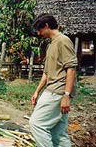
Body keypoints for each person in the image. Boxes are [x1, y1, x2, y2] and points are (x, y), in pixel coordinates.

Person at [29, 13, 78, 147]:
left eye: (40, 30)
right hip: (52, 89)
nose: (39, 34)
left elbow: (71, 69)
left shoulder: (63, 41)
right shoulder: (52, 44)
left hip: (58, 91)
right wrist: (37, 91)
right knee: (58, 133)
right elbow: (47, 72)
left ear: (46, 26)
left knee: (36, 124)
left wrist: (66, 96)